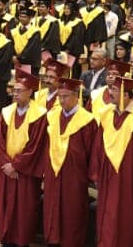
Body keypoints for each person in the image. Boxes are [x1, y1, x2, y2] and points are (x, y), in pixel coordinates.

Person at [90, 75, 133, 247]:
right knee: (106, 215)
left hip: (128, 179)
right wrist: (96, 172)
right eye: (110, 89)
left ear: (126, 95)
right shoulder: (105, 113)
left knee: (126, 219)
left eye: (115, 90)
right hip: (107, 174)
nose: (110, 92)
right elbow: (98, 145)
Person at [0, 70, 47, 247]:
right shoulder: (6, 112)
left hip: (25, 174)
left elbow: (36, 146)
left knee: (24, 209)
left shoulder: (40, 115)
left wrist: (17, 166)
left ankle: (22, 241)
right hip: (6, 172)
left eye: (19, 90)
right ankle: (5, 239)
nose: (14, 94)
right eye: (13, 90)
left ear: (30, 92)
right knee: (5, 205)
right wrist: (6, 165)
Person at [42, 77, 97, 247]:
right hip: (53, 175)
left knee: (72, 214)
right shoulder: (51, 116)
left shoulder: (87, 121)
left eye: (65, 96)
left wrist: (90, 177)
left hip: (75, 177)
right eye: (59, 96)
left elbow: (92, 153)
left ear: (76, 96)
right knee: (51, 210)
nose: (61, 100)